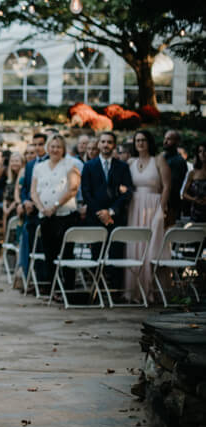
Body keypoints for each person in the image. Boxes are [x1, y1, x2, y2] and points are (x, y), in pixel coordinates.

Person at [81, 130, 134, 292]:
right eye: (103, 142)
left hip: (115, 218)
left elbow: (128, 192)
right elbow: (86, 192)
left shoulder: (123, 167)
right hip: (95, 217)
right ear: (99, 144)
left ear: (114, 145)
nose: (106, 145)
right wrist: (100, 213)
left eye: (109, 142)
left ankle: (115, 290)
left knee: (116, 254)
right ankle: (96, 289)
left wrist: (110, 212)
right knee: (96, 254)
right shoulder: (89, 166)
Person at [125, 129, 171, 301]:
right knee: (135, 244)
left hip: (153, 204)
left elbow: (166, 186)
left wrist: (162, 208)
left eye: (143, 140)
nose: (140, 143)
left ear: (149, 142)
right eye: (137, 140)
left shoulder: (158, 160)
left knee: (152, 246)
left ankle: (153, 290)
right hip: (135, 206)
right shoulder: (130, 162)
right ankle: (135, 291)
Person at [31, 134, 80, 293]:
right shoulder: (39, 167)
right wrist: (41, 208)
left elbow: (72, 189)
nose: (55, 149)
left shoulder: (70, 164)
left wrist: (55, 206)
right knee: (49, 254)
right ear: (48, 148)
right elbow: (34, 191)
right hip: (45, 216)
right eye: (52, 146)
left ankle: (68, 289)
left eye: (58, 146)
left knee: (66, 253)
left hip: (65, 216)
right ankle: (53, 288)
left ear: (63, 149)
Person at [18, 132, 48, 278]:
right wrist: (25, 201)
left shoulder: (51, 162)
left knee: (43, 247)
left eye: (40, 144)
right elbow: (25, 188)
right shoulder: (30, 165)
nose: (37, 148)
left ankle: (44, 282)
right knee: (31, 247)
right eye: (35, 144)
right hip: (30, 213)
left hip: (45, 211)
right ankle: (31, 278)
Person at [163, 130, 188, 225]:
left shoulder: (179, 161)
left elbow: (173, 185)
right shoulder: (163, 157)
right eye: (165, 138)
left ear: (177, 142)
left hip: (171, 205)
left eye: (169, 139)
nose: (165, 141)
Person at [182, 141, 206, 223]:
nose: (202, 154)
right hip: (196, 211)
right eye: (200, 151)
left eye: (205, 151)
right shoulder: (193, 173)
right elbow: (184, 194)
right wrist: (194, 199)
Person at [2, 152, 24, 238]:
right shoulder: (10, 177)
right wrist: (5, 208)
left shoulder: (22, 175)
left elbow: (19, 194)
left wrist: (9, 209)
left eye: (17, 161)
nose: (14, 163)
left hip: (15, 209)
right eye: (12, 161)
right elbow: (5, 194)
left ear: (22, 162)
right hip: (7, 210)